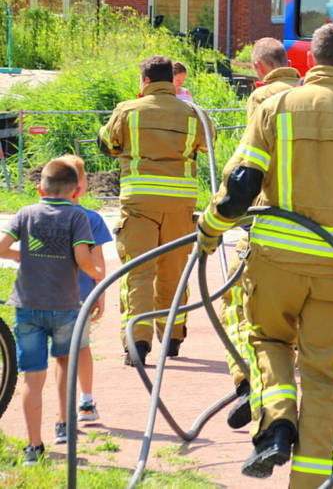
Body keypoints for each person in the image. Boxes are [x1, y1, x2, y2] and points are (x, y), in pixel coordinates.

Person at [196, 23, 333, 484]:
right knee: (327, 375)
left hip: (275, 263)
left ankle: (276, 425)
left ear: (310, 60)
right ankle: (310, 482)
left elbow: (240, 188)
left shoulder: (276, 106)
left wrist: (209, 232)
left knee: (265, 340)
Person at [99, 55, 210, 366]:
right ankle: (172, 336)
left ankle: (138, 343)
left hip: (139, 202)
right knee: (173, 271)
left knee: (138, 273)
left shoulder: (127, 110)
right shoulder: (193, 113)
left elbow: (107, 143)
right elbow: (208, 144)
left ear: (145, 81)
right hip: (180, 204)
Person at [220, 37, 301, 429]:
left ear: (258, 67)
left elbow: (249, 160)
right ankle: (275, 394)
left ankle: (248, 384)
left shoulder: (265, 97)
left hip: (265, 224)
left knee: (237, 306)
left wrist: (219, 209)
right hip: (315, 232)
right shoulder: (311, 96)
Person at [0, 159, 103, 466]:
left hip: (27, 306)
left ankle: (33, 447)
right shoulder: (77, 216)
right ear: (76, 192)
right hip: (64, 306)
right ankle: (64, 423)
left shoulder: (26, 213)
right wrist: (97, 273)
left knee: (32, 377)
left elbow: (2, 247)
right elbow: (82, 257)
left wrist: (26, 257)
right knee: (65, 364)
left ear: (38, 188)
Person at [56, 154, 111, 425]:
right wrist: (100, 292)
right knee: (80, 348)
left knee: (61, 353)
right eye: (85, 176)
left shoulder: (42, 215)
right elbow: (98, 262)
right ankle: (85, 401)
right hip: (79, 297)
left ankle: (65, 409)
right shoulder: (92, 219)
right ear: (78, 186)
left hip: (49, 296)